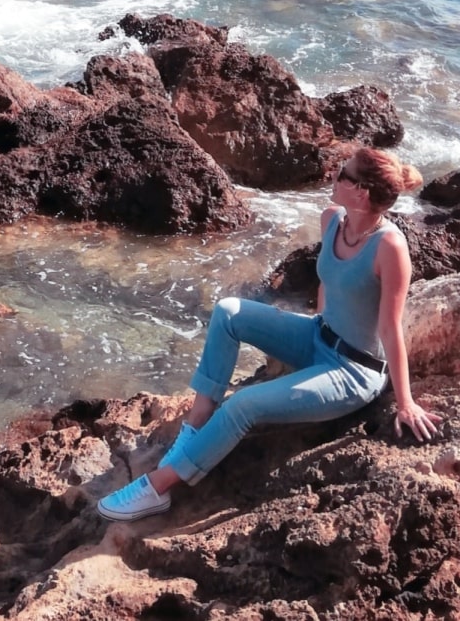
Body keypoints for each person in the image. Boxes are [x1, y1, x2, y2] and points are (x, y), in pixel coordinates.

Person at [98, 147, 441, 521]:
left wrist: (405, 403)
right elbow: (328, 284)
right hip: (316, 337)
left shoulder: (390, 248)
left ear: (360, 192)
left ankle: (159, 488)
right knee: (229, 311)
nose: (332, 174)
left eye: (342, 173)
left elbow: (391, 328)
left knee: (243, 405)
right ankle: (194, 427)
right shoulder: (334, 220)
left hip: (353, 372)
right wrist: (313, 331)